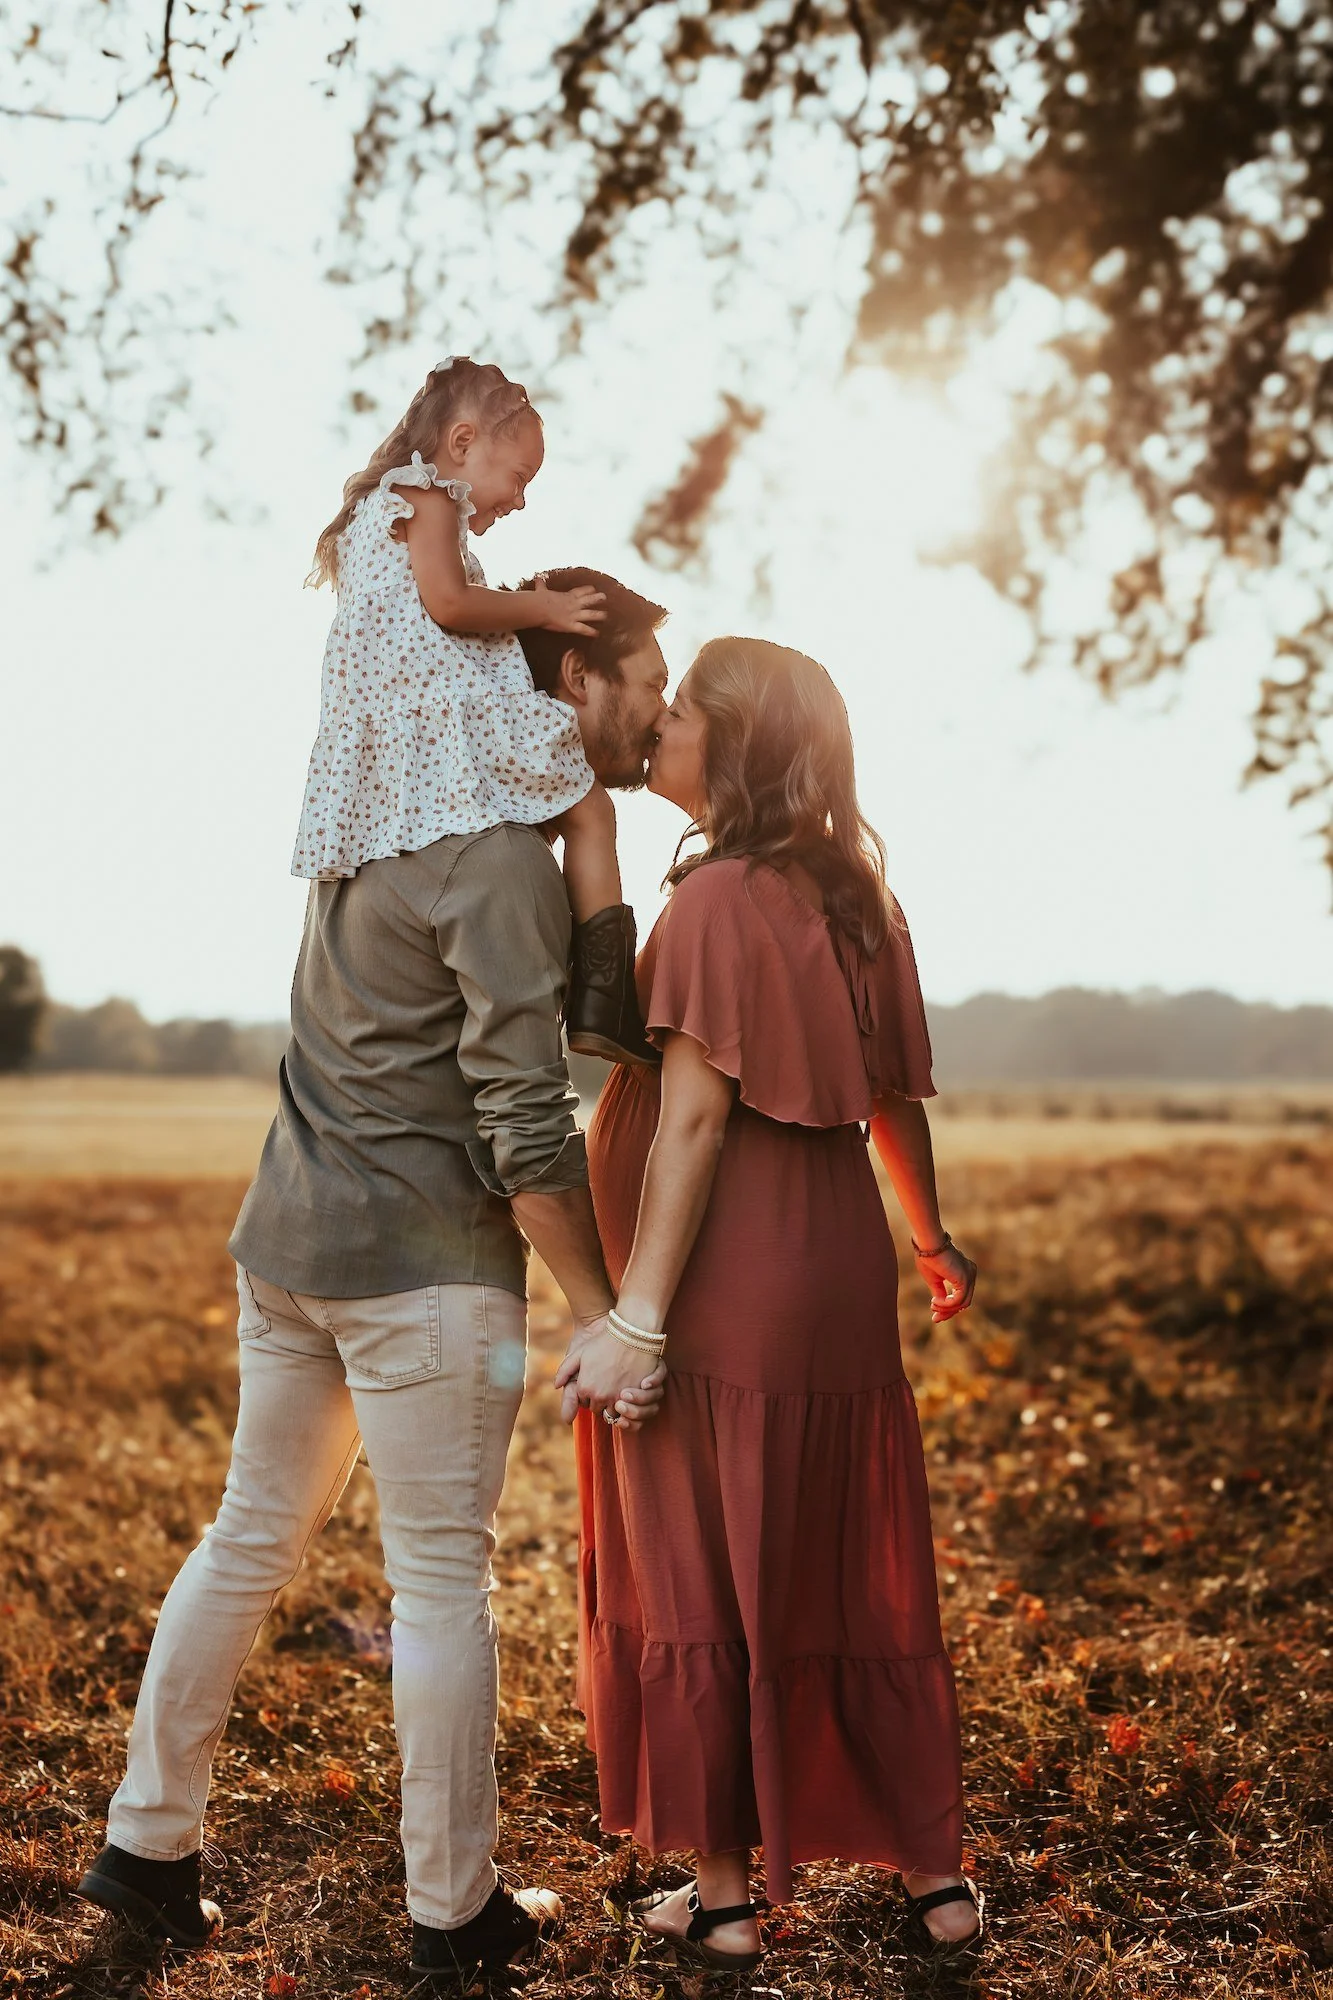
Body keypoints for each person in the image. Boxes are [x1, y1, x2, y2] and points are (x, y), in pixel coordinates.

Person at [73, 572, 671, 1986]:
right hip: (424, 1279)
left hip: (288, 1249)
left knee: (247, 1541)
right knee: (443, 1585)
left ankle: (147, 1850)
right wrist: (607, 1312)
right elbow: (530, 1133)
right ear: (571, 686)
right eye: (646, 678)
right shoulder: (502, 869)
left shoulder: (370, 826)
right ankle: (452, 1911)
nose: (657, 708)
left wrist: (587, 835)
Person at [564, 637, 983, 1974]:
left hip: (723, 1282)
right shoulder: (862, 899)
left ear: (732, 747)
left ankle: (728, 1898)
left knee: (699, 1568)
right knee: (832, 1564)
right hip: (836, 1270)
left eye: (682, 706)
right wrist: (933, 1239)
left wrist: (637, 1310)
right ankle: (936, 1879)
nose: (662, 718)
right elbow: (895, 1103)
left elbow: (688, 1128)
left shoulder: (717, 902)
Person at [293, 353, 655, 1065]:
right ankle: (602, 999)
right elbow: (452, 605)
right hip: (441, 711)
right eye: (519, 477)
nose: (520, 500)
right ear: (461, 443)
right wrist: (544, 610)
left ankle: (582, 981)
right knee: (589, 809)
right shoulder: (424, 497)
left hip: (408, 724)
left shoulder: (388, 510)